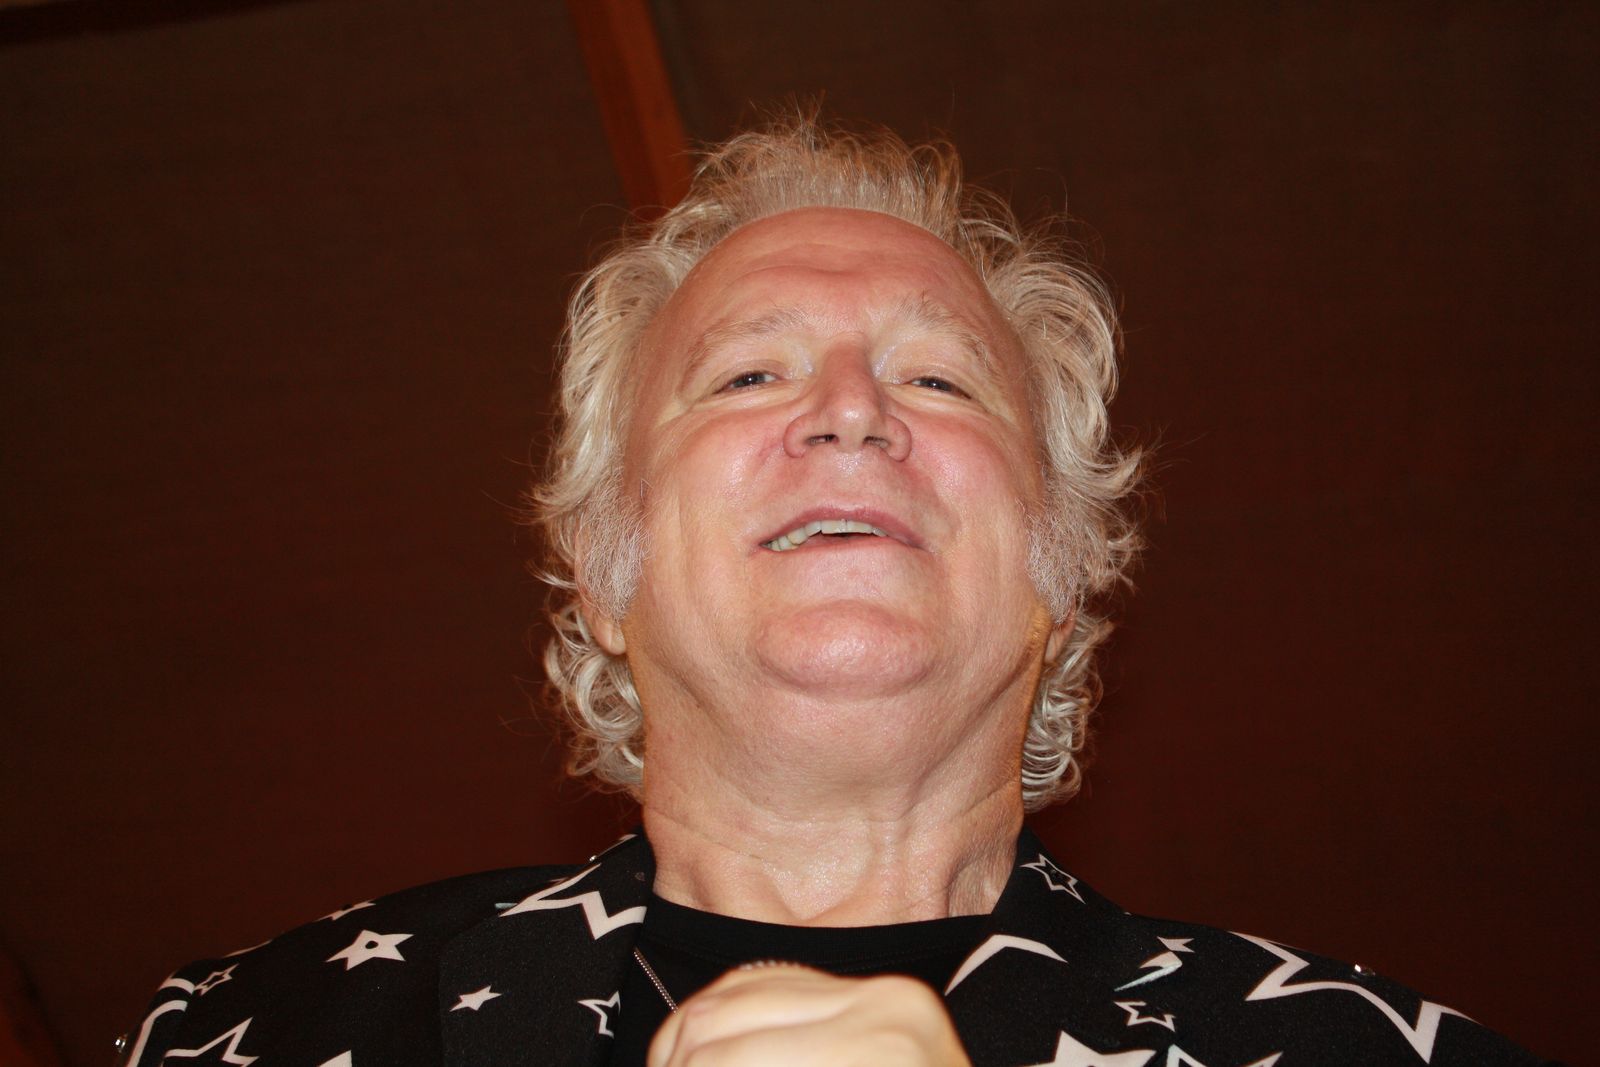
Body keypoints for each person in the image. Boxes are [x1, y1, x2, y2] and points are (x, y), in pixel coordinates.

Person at [119, 117, 1552, 1066]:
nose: (854, 412)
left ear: (1060, 574)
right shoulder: (251, 1031)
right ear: (604, 570)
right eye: (749, 373)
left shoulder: (1367, 1050)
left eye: (940, 378)